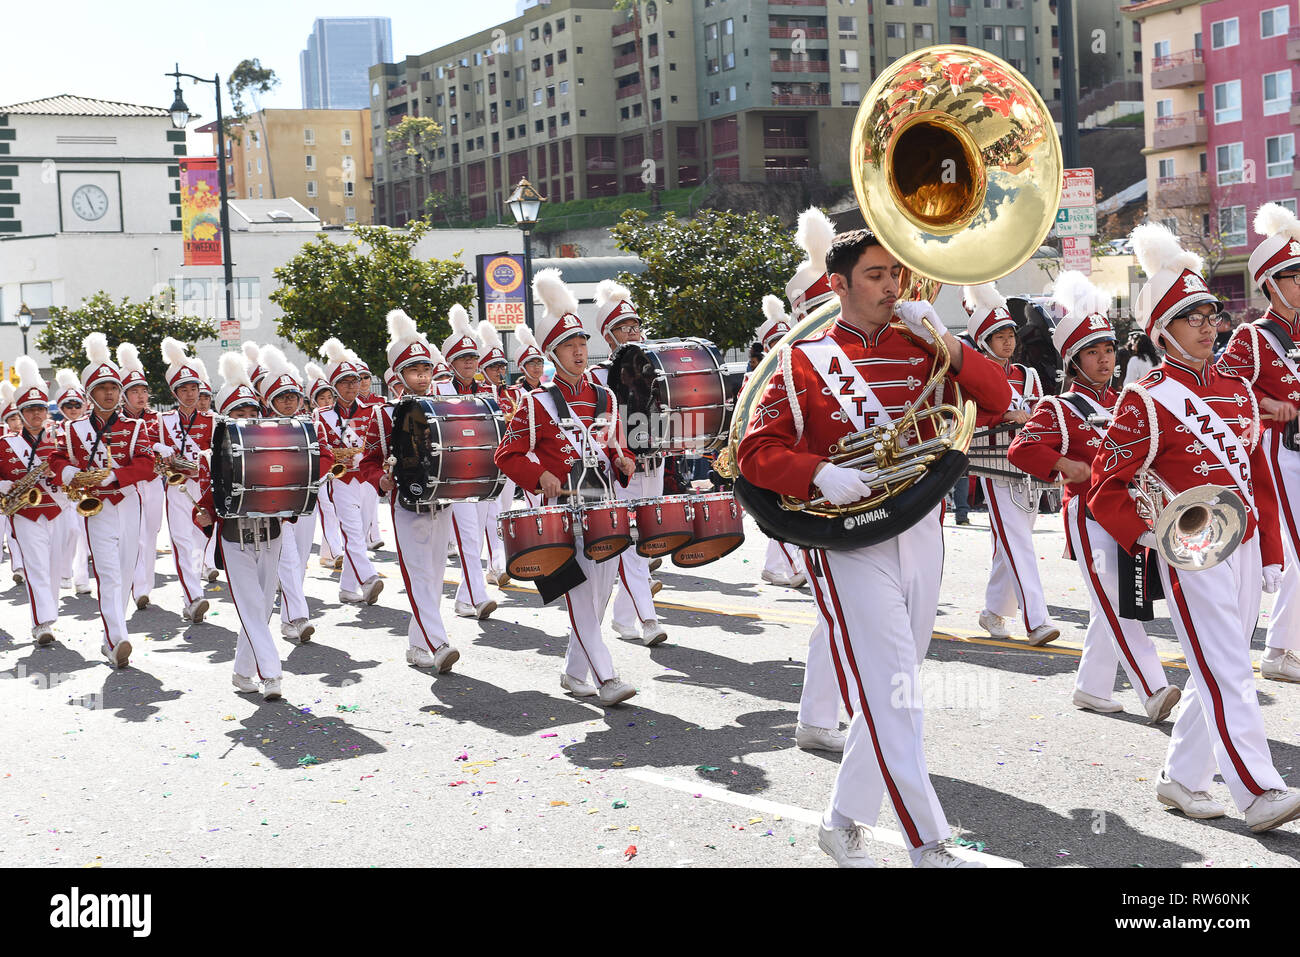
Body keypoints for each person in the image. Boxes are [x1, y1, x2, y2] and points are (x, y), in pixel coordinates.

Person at [737, 228, 1012, 867]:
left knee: (899, 684)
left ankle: (842, 822)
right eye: (876, 276)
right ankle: (929, 842)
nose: (892, 285)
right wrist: (814, 473)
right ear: (838, 286)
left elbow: (997, 403)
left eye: (895, 274)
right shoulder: (802, 360)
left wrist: (945, 339)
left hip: (920, 528)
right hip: (849, 538)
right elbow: (753, 453)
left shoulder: (925, 349)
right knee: (896, 689)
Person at [1089, 221, 1300, 833]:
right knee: (1228, 666)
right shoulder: (1146, 397)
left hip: (1240, 541)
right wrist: (1151, 537)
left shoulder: (1236, 390)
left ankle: (1184, 778)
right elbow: (1106, 485)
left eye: (1210, 311)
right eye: (1192, 315)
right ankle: (1258, 790)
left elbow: (1255, 475)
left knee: (1218, 662)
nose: (1210, 323)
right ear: (1161, 330)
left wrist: (1267, 553)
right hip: (1190, 547)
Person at [1008, 271, 1180, 721]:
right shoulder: (1059, 407)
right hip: (1086, 515)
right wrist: (1067, 466)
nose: (1105, 360)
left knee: (1115, 602)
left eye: (1108, 350)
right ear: (1073, 361)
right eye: (1093, 353)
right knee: (1119, 605)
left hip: (1129, 514)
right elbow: (1021, 448)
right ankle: (1154, 688)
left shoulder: (1126, 400)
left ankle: (1091, 687)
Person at [495, 268, 639, 707]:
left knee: (599, 595)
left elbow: (613, 445)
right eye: (569, 348)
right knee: (578, 592)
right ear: (553, 355)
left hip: (603, 505)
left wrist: (623, 458)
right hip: (559, 513)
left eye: (582, 346)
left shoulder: (606, 398)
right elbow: (507, 455)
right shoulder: (536, 402)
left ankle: (574, 672)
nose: (579, 353)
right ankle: (607, 677)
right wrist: (539, 475)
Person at [194, 354, 316, 701]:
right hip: (235, 540)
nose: (247, 420)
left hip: (270, 535)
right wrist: (204, 518)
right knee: (250, 606)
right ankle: (271, 673)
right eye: (238, 413)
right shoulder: (209, 457)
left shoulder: (275, 448)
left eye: (252, 413)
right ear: (225, 417)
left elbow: (295, 494)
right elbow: (204, 505)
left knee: (262, 607)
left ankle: (243, 670)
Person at [1217, 202, 1300, 682]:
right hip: (1280, 453)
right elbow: (1221, 394)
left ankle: (1280, 650)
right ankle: (1279, 650)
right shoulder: (1251, 337)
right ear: (1271, 283)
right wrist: (1265, 408)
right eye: (1294, 275)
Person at [361, 309, 461, 672]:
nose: (422, 376)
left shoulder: (447, 409)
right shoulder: (383, 415)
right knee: (418, 574)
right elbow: (367, 461)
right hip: (406, 504)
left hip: (443, 502)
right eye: (415, 371)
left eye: (427, 369)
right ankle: (438, 642)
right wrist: (380, 480)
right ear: (400, 377)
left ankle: (418, 646)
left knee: (435, 575)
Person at [49, 333, 156, 668]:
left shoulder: (135, 426)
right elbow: (55, 460)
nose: (109, 393)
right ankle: (117, 638)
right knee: (108, 574)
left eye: (113, 388)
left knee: (124, 572)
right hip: (96, 508)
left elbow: (147, 464)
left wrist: (114, 476)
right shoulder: (71, 430)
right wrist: (70, 474)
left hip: (127, 502)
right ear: (90, 395)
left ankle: (111, 633)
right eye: (102, 389)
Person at [964, 281, 1059, 646]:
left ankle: (992, 610)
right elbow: (965, 421)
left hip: (1029, 464)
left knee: (1013, 541)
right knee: (1018, 541)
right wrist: (1004, 416)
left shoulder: (1027, 375)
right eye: (998, 335)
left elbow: (1041, 414)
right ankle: (1037, 619)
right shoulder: (973, 374)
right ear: (983, 339)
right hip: (992, 464)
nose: (1007, 341)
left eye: (1009, 334)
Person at [589, 279, 669, 645]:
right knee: (633, 538)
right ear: (608, 336)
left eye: (637, 326)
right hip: (621, 471)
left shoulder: (655, 372)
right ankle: (648, 619)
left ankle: (623, 619)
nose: (634, 332)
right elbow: (597, 427)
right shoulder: (598, 376)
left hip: (655, 464)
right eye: (625, 328)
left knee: (648, 538)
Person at [314, 338, 383, 605]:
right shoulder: (322, 415)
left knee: (362, 533)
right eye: (345, 382)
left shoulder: (372, 411)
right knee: (352, 534)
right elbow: (320, 448)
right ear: (334, 387)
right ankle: (369, 578)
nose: (352, 386)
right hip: (341, 480)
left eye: (355, 381)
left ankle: (346, 588)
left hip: (367, 479)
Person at [0, 358, 64, 645]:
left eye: (40, 408)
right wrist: (5, 484)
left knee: (53, 566)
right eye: (30, 410)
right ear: (20, 413)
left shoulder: (60, 439)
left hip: (59, 508)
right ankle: (42, 623)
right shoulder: (5, 444)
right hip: (24, 512)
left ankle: (48, 613)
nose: (36, 414)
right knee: (36, 566)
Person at [441, 304, 498, 620]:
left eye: (474, 358)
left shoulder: (488, 390)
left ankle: (464, 600)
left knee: (474, 537)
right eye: (464, 359)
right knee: (468, 535)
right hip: (451, 475)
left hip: (483, 472)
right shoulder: (438, 390)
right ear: (451, 362)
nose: (470, 363)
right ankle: (478, 595)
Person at [259, 347, 318, 644]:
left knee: (300, 557)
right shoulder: (259, 428)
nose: (289, 402)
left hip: (305, 501)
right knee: (289, 558)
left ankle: (287, 620)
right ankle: (298, 616)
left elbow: (325, 454)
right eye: (282, 397)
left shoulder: (308, 424)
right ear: (270, 401)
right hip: (275, 504)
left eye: (293, 396)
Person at [154, 337, 213, 624]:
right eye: (184, 389)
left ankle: (195, 586)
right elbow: (146, 445)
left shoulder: (212, 420)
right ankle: (193, 597)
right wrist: (158, 448)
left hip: (202, 487)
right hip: (176, 487)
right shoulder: (162, 421)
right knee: (180, 542)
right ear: (175, 392)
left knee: (201, 540)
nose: (190, 394)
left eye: (194, 389)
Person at [116, 342, 164, 610]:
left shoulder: (157, 418)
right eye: (134, 391)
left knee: (152, 532)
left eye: (144, 391)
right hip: (129, 484)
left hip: (154, 480)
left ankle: (146, 584)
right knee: (132, 535)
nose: (141, 396)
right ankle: (138, 588)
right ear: (124, 395)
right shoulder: (117, 420)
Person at [477, 320, 522, 589]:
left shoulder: (512, 394)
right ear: (484, 370)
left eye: (502, 366)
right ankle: (495, 565)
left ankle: (501, 560)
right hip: (487, 461)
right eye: (494, 367)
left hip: (509, 460)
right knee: (490, 514)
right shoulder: (481, 395)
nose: (500, 371)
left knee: (505, 513)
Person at [52, 369, 93, 596]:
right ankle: (64, 570)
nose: (74, 410)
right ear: (61, 409)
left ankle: (81, 579)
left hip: (87, 486)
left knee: (83, 534)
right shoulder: (55, 430)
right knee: (72, 531)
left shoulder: (91, 428)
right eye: (69, 406)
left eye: (77, 405)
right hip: (63, 490)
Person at [304, 362, 344, 570]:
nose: (327, 401)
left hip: (334, 471)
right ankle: (336, 551)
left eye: (330, 398)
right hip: (318, 473)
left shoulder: (336, 417)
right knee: (327, 510)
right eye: (322, 398)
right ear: (313, 402)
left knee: (332, 510)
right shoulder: (311, 421)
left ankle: (328, 554)